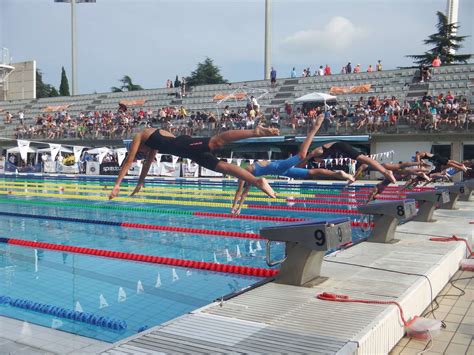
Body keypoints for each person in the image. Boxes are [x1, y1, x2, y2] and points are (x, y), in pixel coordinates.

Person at [109, 126, 280, 200]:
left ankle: (255, 131)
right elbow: (146, 164)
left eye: (140, 153)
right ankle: (257, 181)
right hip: (189, 152)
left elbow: (128, 161)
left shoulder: (140, 136)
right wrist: (140, 182)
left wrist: (117, 184)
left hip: (183, 145)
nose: (143, 154)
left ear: (136, 147)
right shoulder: (152, 145)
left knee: (216, 142)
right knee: (221, 167)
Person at [231, 115, 354, 214]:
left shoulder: (244, 173)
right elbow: (244, 193)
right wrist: (240, 208)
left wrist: (234, 207)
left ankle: (315, 128)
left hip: (276, 167)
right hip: (280, 170)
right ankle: (339, 174)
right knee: (311, 172)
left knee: (301, 155)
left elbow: (239, 191)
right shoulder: (248, 177)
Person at [300, 142, 397, 184]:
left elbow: (303, 160)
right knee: (362, 160)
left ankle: (385, 172)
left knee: (363, 159)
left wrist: (293, 169)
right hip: (340, 149)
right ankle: (385, 171)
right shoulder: (318, 156)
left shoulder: (315, 152)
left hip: (340, 146)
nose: (320, 162)